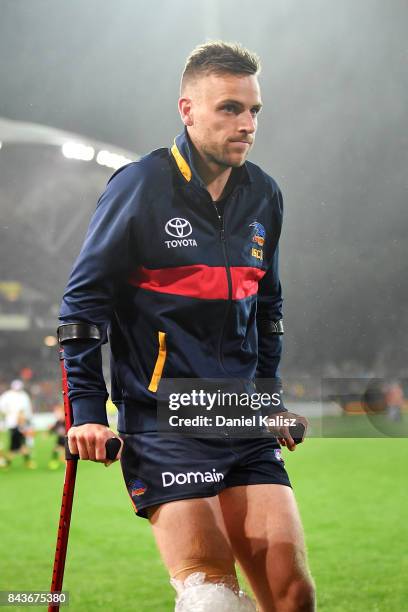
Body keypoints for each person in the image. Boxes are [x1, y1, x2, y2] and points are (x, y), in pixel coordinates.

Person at [60, 42, 315, 611]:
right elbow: (82, 307)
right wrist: (86, 413)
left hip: (240, 414)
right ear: (187, 109)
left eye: (254, 111)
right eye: (229, 108)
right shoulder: (140, 186)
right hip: (161, 418)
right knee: (212, 598)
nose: (246, 124)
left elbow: (267, 308)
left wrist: (267, 400)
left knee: (293, 595)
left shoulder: (264, 194)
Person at [0, 379, 36, 469]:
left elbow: (27, 410)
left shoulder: (24, 396)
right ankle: (9, 463)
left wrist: (27, 420)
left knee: (20, 445)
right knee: (16, 446)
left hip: (21, 424)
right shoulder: (7, 395)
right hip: (12, 424)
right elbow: (2, 408)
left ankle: (10, 463)